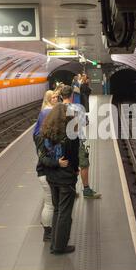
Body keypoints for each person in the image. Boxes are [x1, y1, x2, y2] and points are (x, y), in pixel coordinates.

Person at [36, 103, 80, 254]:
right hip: (66, 178)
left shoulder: (45, 134)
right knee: (65, 213)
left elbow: (42, 157)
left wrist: (55, 163)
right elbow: (74, 158)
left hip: (51, 177)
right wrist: (75, 170)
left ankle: (54, 243)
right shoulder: (71, 135)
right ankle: (60, 246)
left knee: (57, 210)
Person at [60, 85, 101, 199]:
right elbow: (83, 123)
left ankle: (70, 191)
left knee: (68, 165)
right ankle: (86, 190)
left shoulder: (57, 108)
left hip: (62, 142)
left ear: (61, 96)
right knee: (84, 164)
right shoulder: (78, 108)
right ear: (72, 95)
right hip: (77, 140)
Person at [33, 90, 59, 241]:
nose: (56, 99)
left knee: (49, 201)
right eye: (54, 97)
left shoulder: (41, 136)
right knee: (49, 203)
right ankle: (47, 232)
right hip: (45, 172)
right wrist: (57, 163)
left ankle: (49, 228)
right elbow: (44, 159)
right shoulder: (46, 140)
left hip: (44, 170)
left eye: (57, 96)